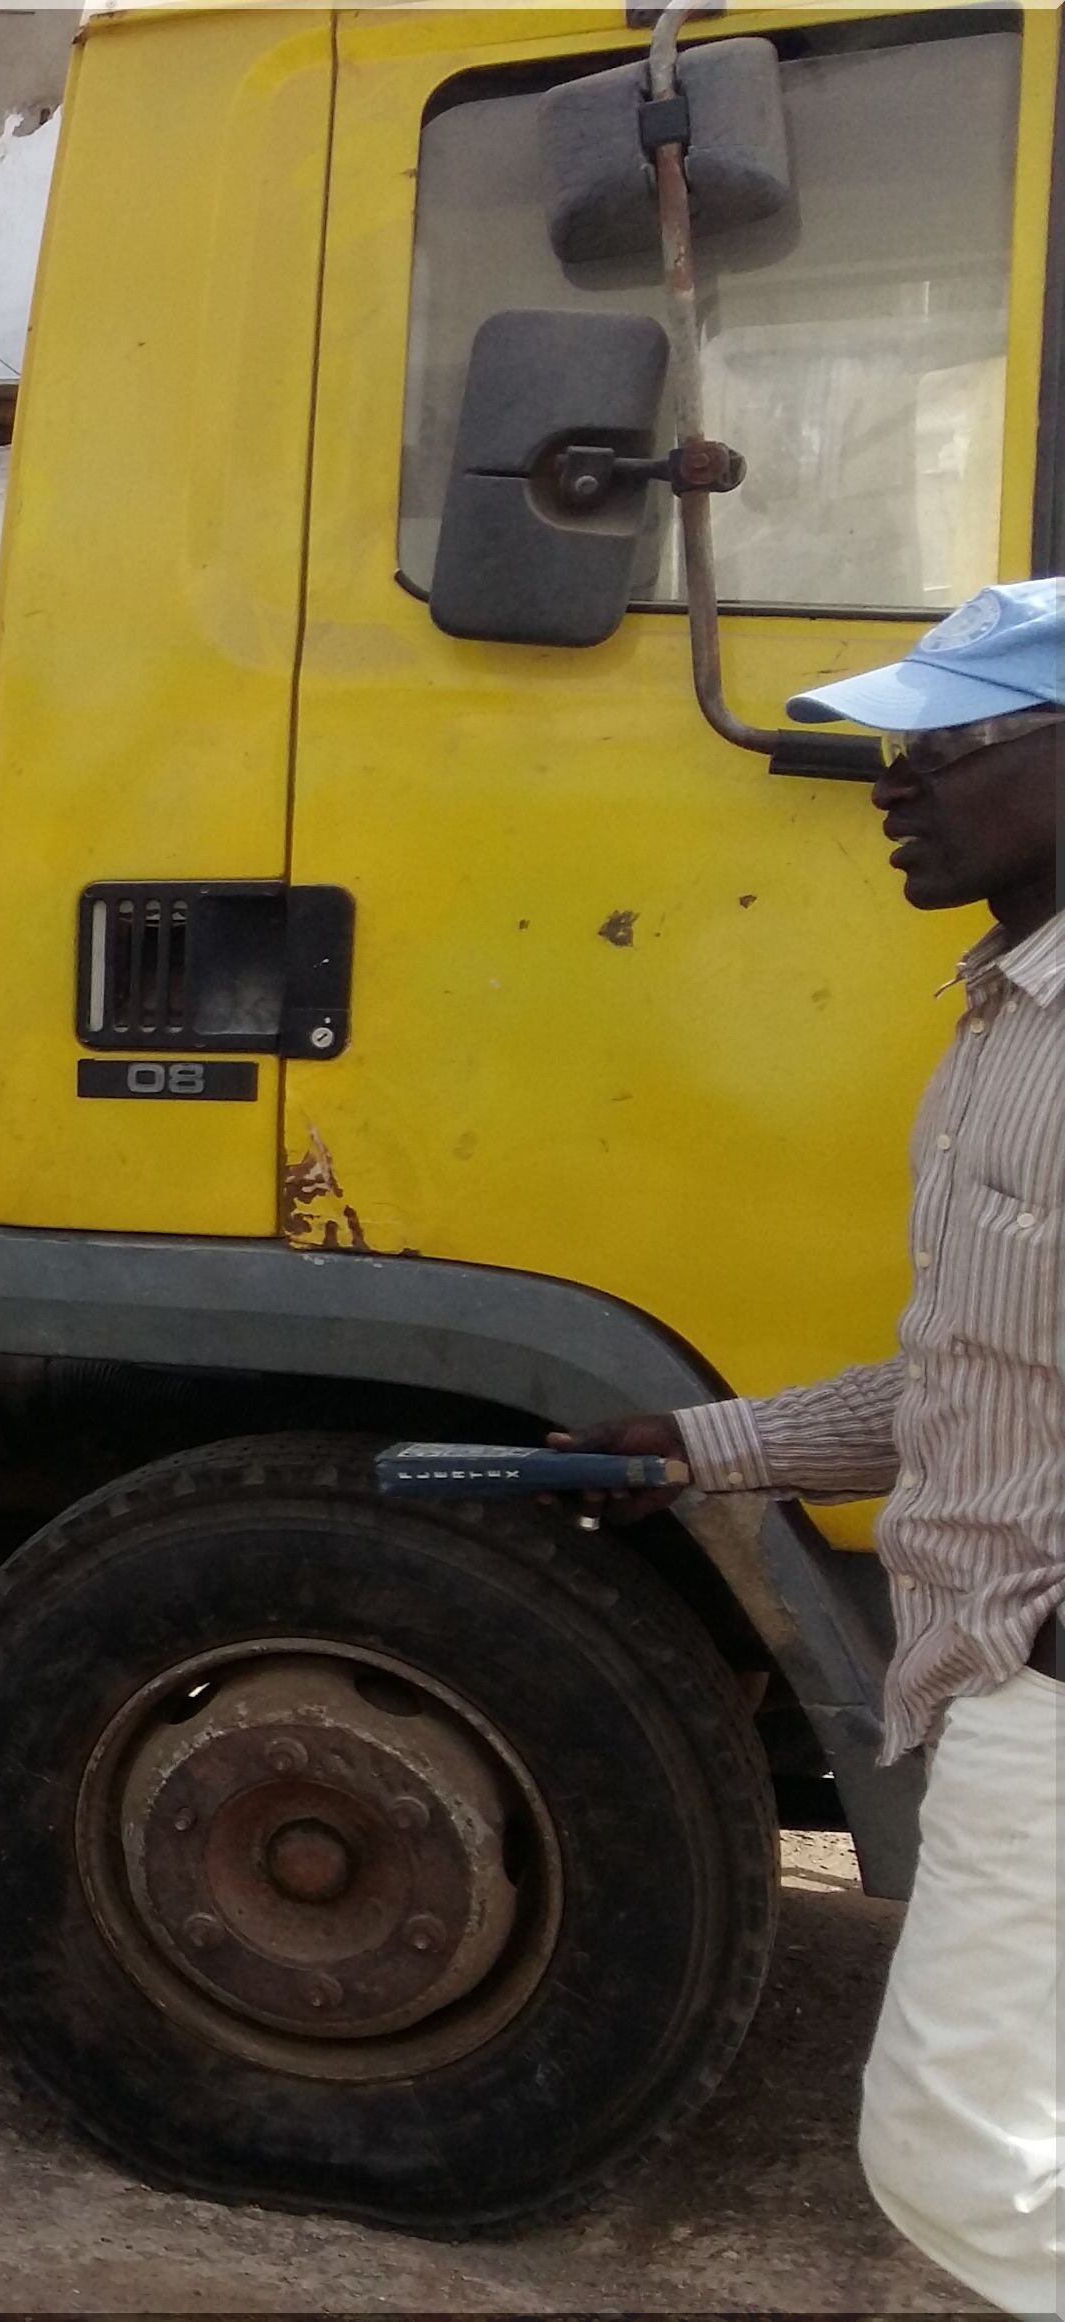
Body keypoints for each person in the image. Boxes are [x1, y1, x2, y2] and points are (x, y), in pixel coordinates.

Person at [566, 575, 1064, 2313]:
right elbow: (979, 1376)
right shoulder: (1006, 1020)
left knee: (957, 2154)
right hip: (995, 1655)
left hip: (1047, 1675)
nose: (891, 777)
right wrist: (703, 1442)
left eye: (947, 741)